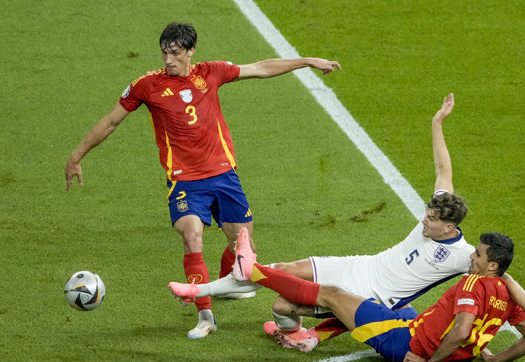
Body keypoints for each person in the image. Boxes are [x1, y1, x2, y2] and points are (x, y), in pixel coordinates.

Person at [166, 93, 525, 348]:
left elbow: (505, 277)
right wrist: (438, 122)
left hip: (372, 295)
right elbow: (442, 169)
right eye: (427, 213)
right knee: (285, 268)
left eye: (432, 221)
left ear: (450, 229)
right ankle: (231, 298)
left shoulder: (463, 255)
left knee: (283, 306)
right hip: (362, 264)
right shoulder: (441, 207)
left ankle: (290, 332)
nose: (425, 221)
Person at [64, 22, 341, 339]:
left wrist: (306, 61)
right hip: (185, 182)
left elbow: (261, 69)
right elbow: (111, 121)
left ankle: (229, 282)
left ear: (190, 51)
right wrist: (77, 155)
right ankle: (205, 315)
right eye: (165, 52)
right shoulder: (147, 85)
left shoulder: (211, 72)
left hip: (224, 176)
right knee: (192, 235)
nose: (169, 60)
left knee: (245, 251)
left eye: (176, 53)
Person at [171, 228, 525, 362]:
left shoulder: (472, 284)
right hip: (421, 331)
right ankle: (313, 335)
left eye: (479, 256)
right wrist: (493, 357)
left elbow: (463, 325)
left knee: (335, 295)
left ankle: (251, 271)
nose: (472, 257)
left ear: (491, 264)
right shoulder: (506, 294)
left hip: (407, 344)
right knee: (401, 306)